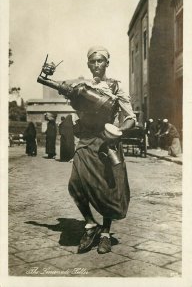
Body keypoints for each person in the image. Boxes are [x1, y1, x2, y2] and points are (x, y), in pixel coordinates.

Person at [68, 46, 136, 254]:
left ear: (107, 63)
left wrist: (118, 131)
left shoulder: (116, 87)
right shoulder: (81, 87)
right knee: (75, 184)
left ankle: (105, 233)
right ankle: (90, 224)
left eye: (100, 61)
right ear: (88, 64)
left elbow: (131, 118)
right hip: (86, 141)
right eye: (92, 62)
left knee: (108, 188)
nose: (96, 65)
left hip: (107, 141)